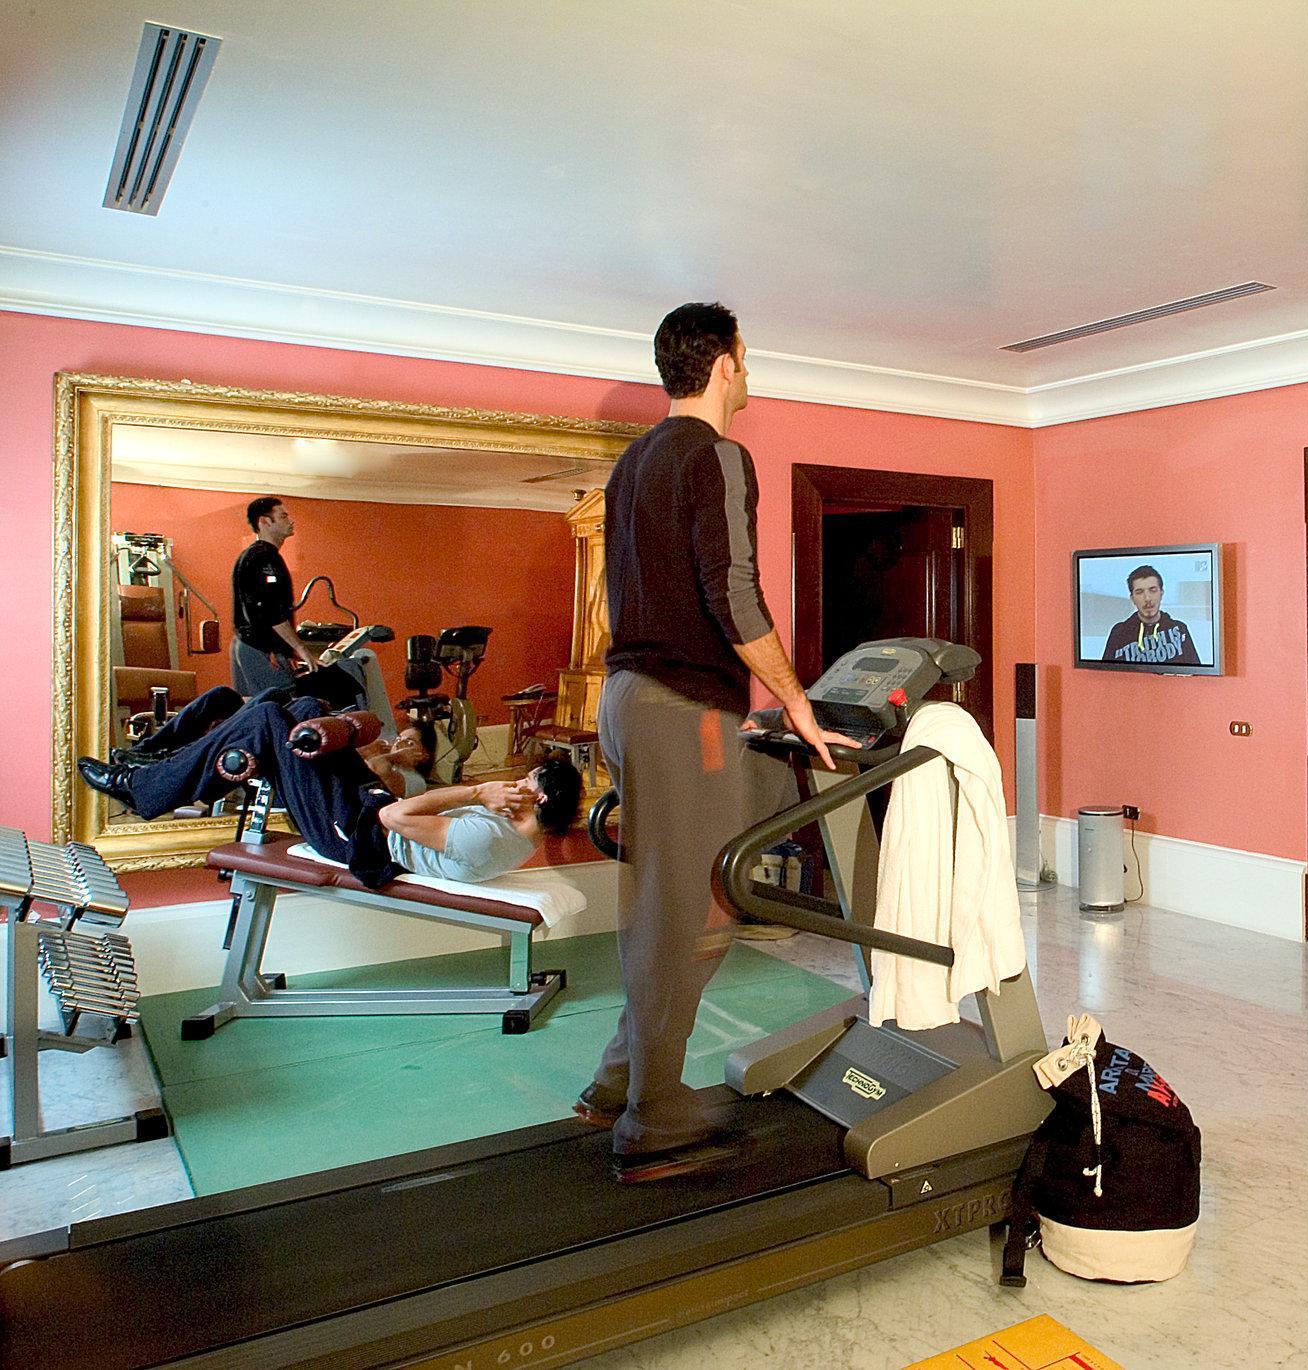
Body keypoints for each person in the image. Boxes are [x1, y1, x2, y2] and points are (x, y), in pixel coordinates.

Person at [582, 301, 854, 1184]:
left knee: (668, 892)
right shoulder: (718, 456)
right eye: (748, 355)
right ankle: (655, 1116)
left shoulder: (632, 464)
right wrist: (797, 704)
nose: (750, 368)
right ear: (727, 364)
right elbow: (733, 591)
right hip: (679, 707)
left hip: (629, 699)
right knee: (696, 906)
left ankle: (618, 1081)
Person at [76, 696, 580, 887]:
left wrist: (478, 789)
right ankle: (151, 762)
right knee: (298, 708)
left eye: (524, 783)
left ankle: (143, 789)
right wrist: (484, 794)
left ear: (539, 800)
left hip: (351, 834)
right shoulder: (511, 829)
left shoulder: (489, 839)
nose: (515, 784)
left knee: (267, 720)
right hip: (364, 807)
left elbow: (394, 819)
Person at [231, 497, 318, 696]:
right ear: (264, 522)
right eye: (283, 516)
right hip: (260, 649)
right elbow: (270, 610)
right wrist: (301, 648)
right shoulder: (264, 558)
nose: (290, 521)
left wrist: (290, 650)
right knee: (279, 703)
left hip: (248, 644)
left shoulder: (253, 556)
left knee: (254, 705)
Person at [1102, 564, 1203, 666]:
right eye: (1139, 592)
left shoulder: (1179, 629)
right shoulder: (1119, 633)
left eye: (1153, 590)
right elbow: (1105, 673)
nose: (1147, 598)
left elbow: (1195, 672)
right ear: (1132, 598)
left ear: (1161, 593)